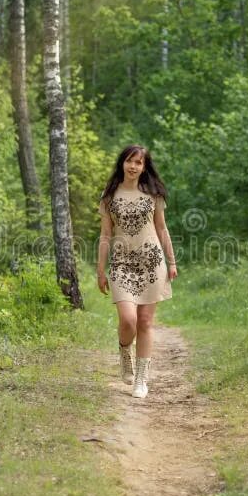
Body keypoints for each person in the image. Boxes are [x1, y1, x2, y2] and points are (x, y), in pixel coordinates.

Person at [97, 145, 177, 398]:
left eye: (139, 163)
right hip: (121, 264)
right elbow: (105, 235)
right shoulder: (110, 195)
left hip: (152, 263)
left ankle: (141, 380)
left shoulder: (153, 194)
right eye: (130, 161)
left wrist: (172, 262)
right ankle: (124, 350)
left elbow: (162, 229)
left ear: (144, 167)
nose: (133, 166)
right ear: (122, 163)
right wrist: (101, 270)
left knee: (144, 322)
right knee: (128, 320)